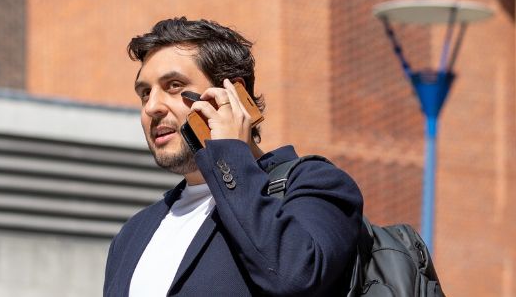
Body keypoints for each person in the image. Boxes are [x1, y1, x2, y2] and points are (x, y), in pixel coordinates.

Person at [103, 17, 365, 297]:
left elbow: (294, 277)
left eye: (174, 85)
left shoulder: (315, 184)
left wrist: (228, 153)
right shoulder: (133, 233)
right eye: (145, 93)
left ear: (233, 94)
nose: (152, 107)